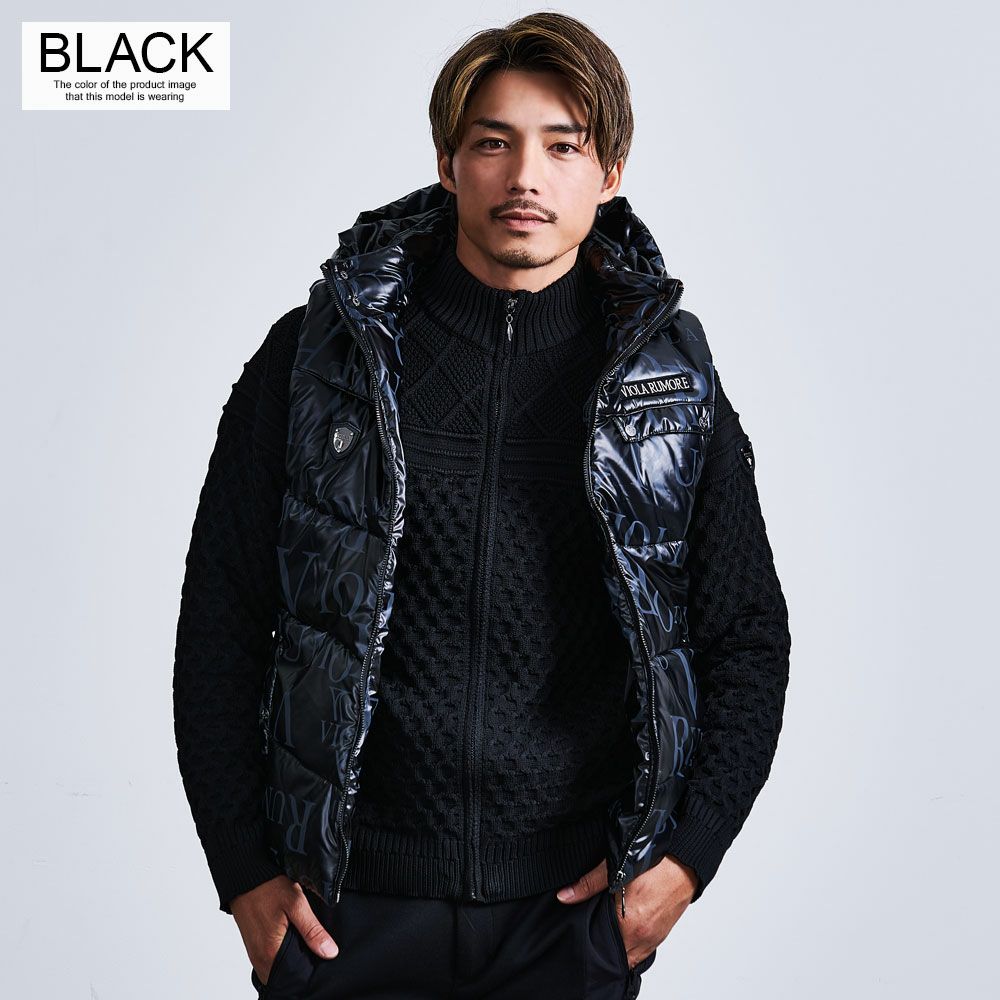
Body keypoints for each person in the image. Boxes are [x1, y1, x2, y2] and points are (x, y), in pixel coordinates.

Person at [172, 12, 791, 999]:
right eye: (493, 142)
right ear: (448, 163)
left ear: (610, 172)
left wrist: (684, 863)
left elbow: (745, 635)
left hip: (568, 919)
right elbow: (222, 618)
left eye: (563, 146)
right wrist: (242, 869)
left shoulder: (667, 385)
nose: (525, 177)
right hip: (346, 911)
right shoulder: (318, 360)